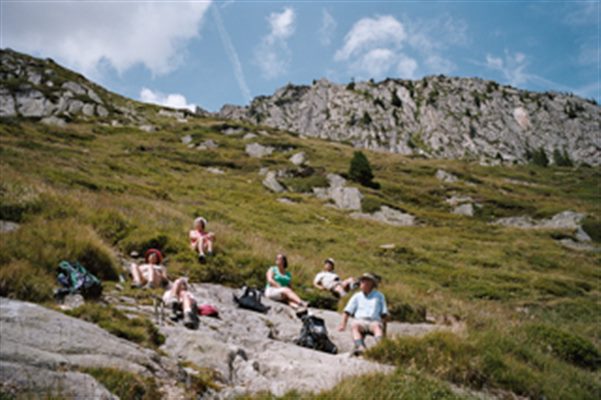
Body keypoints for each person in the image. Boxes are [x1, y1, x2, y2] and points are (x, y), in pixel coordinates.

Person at [338, 273, 388, 355]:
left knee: (377, 327)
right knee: (355, 326)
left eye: (364, 281)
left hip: (374, 320)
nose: (361, 282)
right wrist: (343, 324)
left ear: (371, 283)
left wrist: (385, 331)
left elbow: (384, 314)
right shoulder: (357, 296)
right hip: (360, 320)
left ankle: (380, 347)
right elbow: (347, 311)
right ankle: (361, 347)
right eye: (361, 280)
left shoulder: (379, 296)